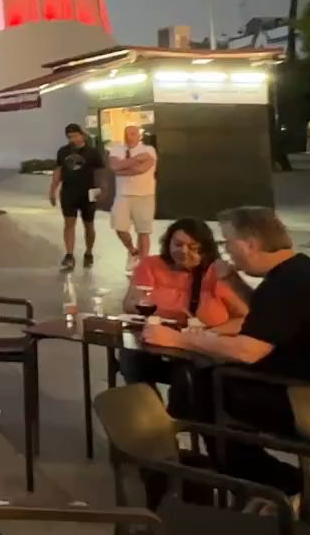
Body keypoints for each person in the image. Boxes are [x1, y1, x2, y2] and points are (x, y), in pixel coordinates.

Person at [142, 206, 310, 491]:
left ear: (249, 244)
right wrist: (234, 283)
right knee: (204, 381)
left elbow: (247, 351)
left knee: (199, 391)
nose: (226, 252)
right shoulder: (298, 273)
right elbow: (268, 317)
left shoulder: (287, 285)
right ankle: (234, 473)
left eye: (227, 243)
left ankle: (276, 483)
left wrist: (178, 340)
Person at [119, 218, 249, 387]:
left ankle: (180, 411)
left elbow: (246, 318)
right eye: (177, 244)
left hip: (199, 348)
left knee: (187, 372)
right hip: (157, 342)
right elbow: (130, 304)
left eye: (192, 247)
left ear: (205, 249)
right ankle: (148, 408)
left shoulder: (217, 272)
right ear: (168, 243)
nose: (183, 251)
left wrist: (211, 333)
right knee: (131, 357)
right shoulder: (151, 265)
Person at [49, 124, 104, 271]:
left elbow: (100, 174)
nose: (72, 139)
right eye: (69, 137)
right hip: (69, 192)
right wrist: (52, 190)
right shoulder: (63, 152)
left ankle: (89, 252)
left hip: (88, 193)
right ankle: (69, 255)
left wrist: (100, 193)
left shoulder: (92, 152)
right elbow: (58, 171)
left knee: (89, 225)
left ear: (82, 135)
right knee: (69, 224)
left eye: (75, 135)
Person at [107, 124, 158, 270]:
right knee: (119, 227)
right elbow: (115, 166)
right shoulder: (116, 149)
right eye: (127, 133)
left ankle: (143, 263)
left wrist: (123, 167)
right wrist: (136, 160)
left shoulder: (149, 150)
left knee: (143, 230)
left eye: (133, 133)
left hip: (145, 195)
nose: (129, 136)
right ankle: (132, 251)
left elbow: (141, 169)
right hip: (123, 195)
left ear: (139, 135)